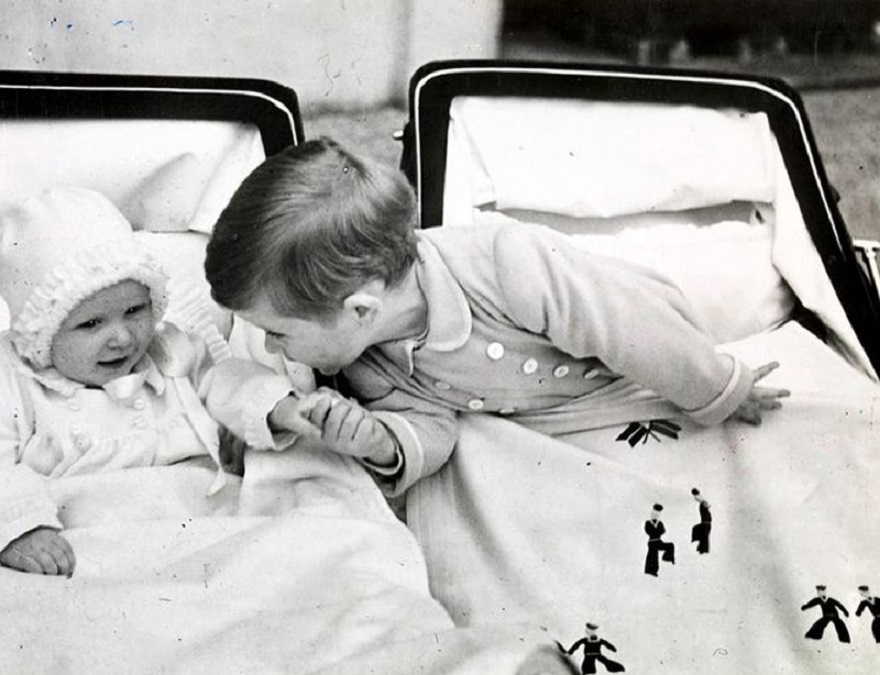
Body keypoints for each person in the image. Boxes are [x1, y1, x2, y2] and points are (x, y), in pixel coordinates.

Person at [204, 137, 790, 497]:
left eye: (278, 333)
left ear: (360, 309)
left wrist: (717, 387)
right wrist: (380, 442)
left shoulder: (507, 263)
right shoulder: (368, 364)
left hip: (658, 335)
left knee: (741, 305)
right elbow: (431, 426)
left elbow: (632, 326)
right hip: (576, 407)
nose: (273, 349)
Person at [0, 187, 323, 576]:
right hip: (88, 541)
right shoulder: (16, 383)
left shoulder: (170, 351)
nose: (123, 337)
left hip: (201, 521)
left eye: (134, 310)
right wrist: (19, 526)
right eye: (91, 324)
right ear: (42, 331)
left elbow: (225, 382)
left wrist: (278, 409)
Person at [644, 504, 675, 577]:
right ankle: (651, 570)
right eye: (654, 514)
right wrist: (657, 531)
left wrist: (656, 531)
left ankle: (666, 558)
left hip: (657, 541)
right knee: (653, 555)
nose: (655, 515)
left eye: (657, 514)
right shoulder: (648, 522)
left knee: (670, 545)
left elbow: (662, 531)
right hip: (652, 541)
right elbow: (650, 531)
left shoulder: (659, 523)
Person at [690, 488, 712, 554]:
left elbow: (706, 503)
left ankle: (703, 549)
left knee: (704, 536)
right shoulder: (702, 505)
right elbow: (704, 502)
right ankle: (702, 549)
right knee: (704, 535)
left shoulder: (703, 505)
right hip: (705, 523)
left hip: (706, 524)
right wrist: (698, 496)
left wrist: (698, 496)